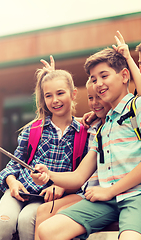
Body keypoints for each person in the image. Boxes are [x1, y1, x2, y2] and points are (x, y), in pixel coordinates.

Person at [31, 48, 141, 240]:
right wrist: (48, 175)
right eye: (94, 80)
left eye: (104, 76)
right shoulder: (103, 126)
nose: (98, 84)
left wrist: (110, 190)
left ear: (124, 75)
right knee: (48, 230)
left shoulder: (140, 105)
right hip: (108, 200)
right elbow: (79, 177)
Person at [0, 64, 87, 240]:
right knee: (5, 222)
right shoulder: (34, 129)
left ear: (73, 94)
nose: (55, 100)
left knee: (28, 221)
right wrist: (12, 183)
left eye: (60, 93)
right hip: (20, 191)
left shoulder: (83, 134)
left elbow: (83, 175)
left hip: (45, 200)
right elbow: (13, 165)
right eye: (48, 95)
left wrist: (61, 185)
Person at [34, 65, 111, 240]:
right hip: (86, 191)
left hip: (99, 193)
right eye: (91, 98)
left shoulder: (113, 124)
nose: (95, 102)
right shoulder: (93, 127)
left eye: (99, 97)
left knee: (58, 214)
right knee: (43, 210)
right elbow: (67, 121)